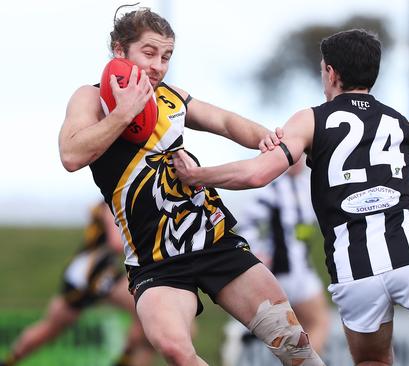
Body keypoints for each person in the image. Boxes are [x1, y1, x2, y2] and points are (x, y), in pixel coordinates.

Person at [172, 29, 409, 365]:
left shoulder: (310, 120)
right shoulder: (404, 125)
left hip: (355, 273)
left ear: (332, 73)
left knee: (373, 362)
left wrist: (198, 176)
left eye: (322, 71)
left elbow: (257, 173)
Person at [58, 6, 323, 366]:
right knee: (175, 350)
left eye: (166, 56)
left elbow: (226, 122)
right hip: (155, 261)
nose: (158, 66)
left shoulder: (171, 96)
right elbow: (71, 156)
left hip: (214, 242)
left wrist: (267, 139)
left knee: (294, 344)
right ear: (120, 52)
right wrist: (124, 113)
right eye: (149, 53)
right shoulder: (90, 99)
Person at [0, 202, 153, 366]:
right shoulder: (111, 204)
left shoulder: (121, 200)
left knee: (147, 312)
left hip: (95, 271)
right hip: (89, 272)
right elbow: (116, 243)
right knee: (147, 310)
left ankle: (9, 361)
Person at [223, 157, 330, 365]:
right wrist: (258, 252)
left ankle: (243, 334)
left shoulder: (305, 186)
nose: (298, 162)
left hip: (300, 269)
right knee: (318, 321)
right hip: (287, 272)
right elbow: (247, 225)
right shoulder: (272, 189)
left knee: (299, 331)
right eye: (293, 157)